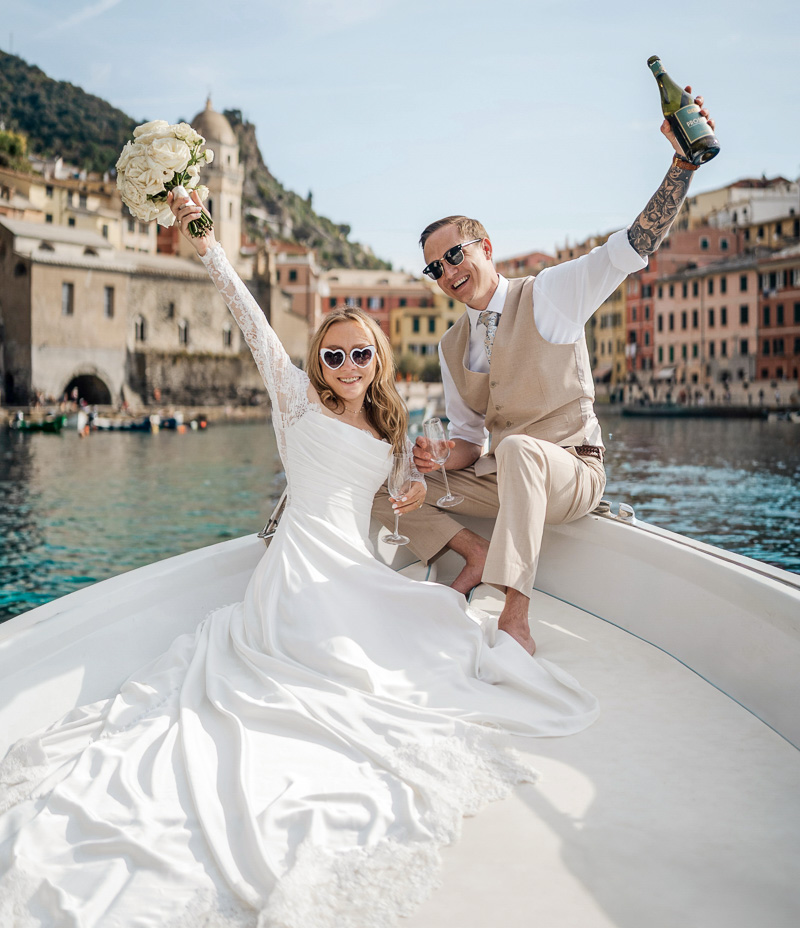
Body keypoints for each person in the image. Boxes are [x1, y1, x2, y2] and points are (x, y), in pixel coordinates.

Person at [0, 193, 598, 928]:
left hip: (356, 563)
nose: (347, 365)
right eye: (334, 355)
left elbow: (400, 493)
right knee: (345, 658)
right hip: (299, 569)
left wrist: (412, 487)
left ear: (376, 359)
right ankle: (456, 574)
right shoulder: (294, 399)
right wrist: (203, 238)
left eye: (360, 354)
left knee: (430, 635)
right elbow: (247, 313)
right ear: (317, 361)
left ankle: (467, 566)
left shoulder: (389, 422)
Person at [374, 90, 715, 655]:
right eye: (435, 267)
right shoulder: (450, 344)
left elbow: (635, 245)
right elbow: (465, 440)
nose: (446, 271)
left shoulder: (551, 293)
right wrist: (438, 458)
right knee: (385, 482)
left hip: (572, 474)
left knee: (520, 451)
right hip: (504, 479)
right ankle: (473, 555)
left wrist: (681, 166)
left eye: (454, 255)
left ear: (485, 247)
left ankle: (514, 613)